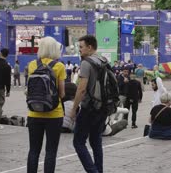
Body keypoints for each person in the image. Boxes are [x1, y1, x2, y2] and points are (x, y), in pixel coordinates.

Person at [69, 35, 109, 173]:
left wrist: (74, 109)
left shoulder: (86, 63)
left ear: (90, 47)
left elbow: (81, 88)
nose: (79, 50)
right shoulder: (103, 60)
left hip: (89, 108)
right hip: (102, 108)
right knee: (96, 141)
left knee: (78, 142)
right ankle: (99, 170)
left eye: (81, 47)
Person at [26, 37, 66, 173]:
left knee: (33, 150)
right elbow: (62, 93)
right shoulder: (59, 66)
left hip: (34, 112)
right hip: (54, 114)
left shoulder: (32, 64)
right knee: (50, 151)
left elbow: (28, 90)